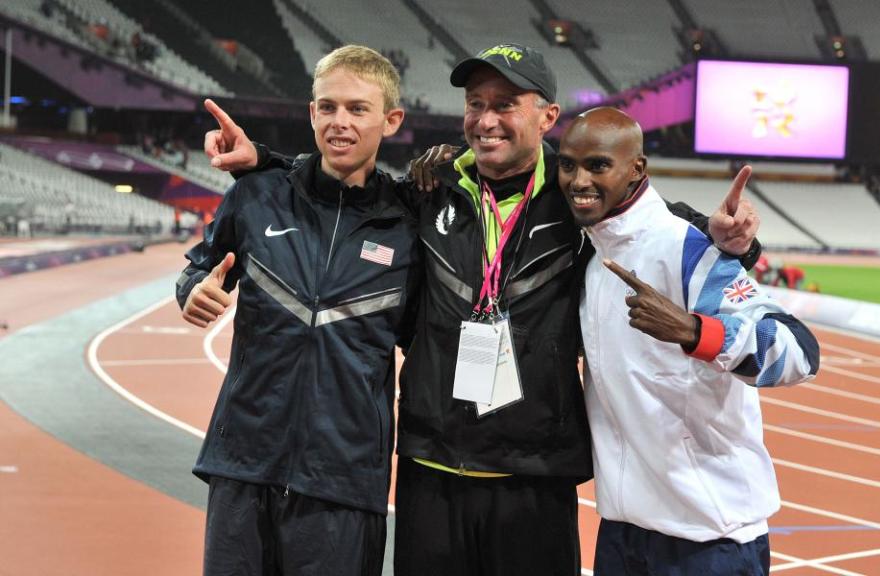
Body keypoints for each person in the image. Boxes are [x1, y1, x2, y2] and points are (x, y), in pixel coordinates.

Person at [202, 43, 761, 576]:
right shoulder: (429, 187)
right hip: (432, 470)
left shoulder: (577, 200)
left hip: (533, 476)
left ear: (547, 117)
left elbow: (663, 231)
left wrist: (734, 242)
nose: (486, 119)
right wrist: (266, 162)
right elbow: (345, 180)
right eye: (476, 105)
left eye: (505, 106)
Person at [176, 45, 419, 576]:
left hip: (344, 478)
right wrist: (192, 291)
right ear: (311, 113)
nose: (340, 122)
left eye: (358, 109)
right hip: (244, 460)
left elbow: (424, 339)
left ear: (391, 120)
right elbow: (198, 267)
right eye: (327, 107)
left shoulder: (408, 225)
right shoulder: (256, 195)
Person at [557, 107, 819, 575]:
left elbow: (798, 352)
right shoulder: (595, 255)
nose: (579, 180)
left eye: (597, 165)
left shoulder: (686, 247)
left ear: (636, 168)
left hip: (707, 538)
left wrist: (697, 333)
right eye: (567, 164)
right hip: (623, 529)